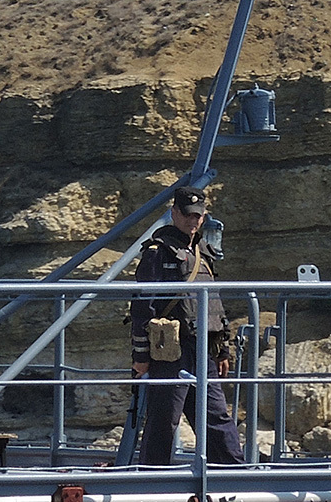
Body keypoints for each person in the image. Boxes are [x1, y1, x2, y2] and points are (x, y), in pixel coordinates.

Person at [130, 186, 243, 465]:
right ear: (174, 213)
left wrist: (223, 350)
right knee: (163, 423)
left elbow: (214, 303)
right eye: (188, 215)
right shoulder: (158, 253)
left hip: (203, 351)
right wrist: (141, 358)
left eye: (198, 216)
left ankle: (235, 477)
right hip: (170, 353)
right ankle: (151, 484)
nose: (193, 221)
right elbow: (143, 308)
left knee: (217, 419)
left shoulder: (204, 252)